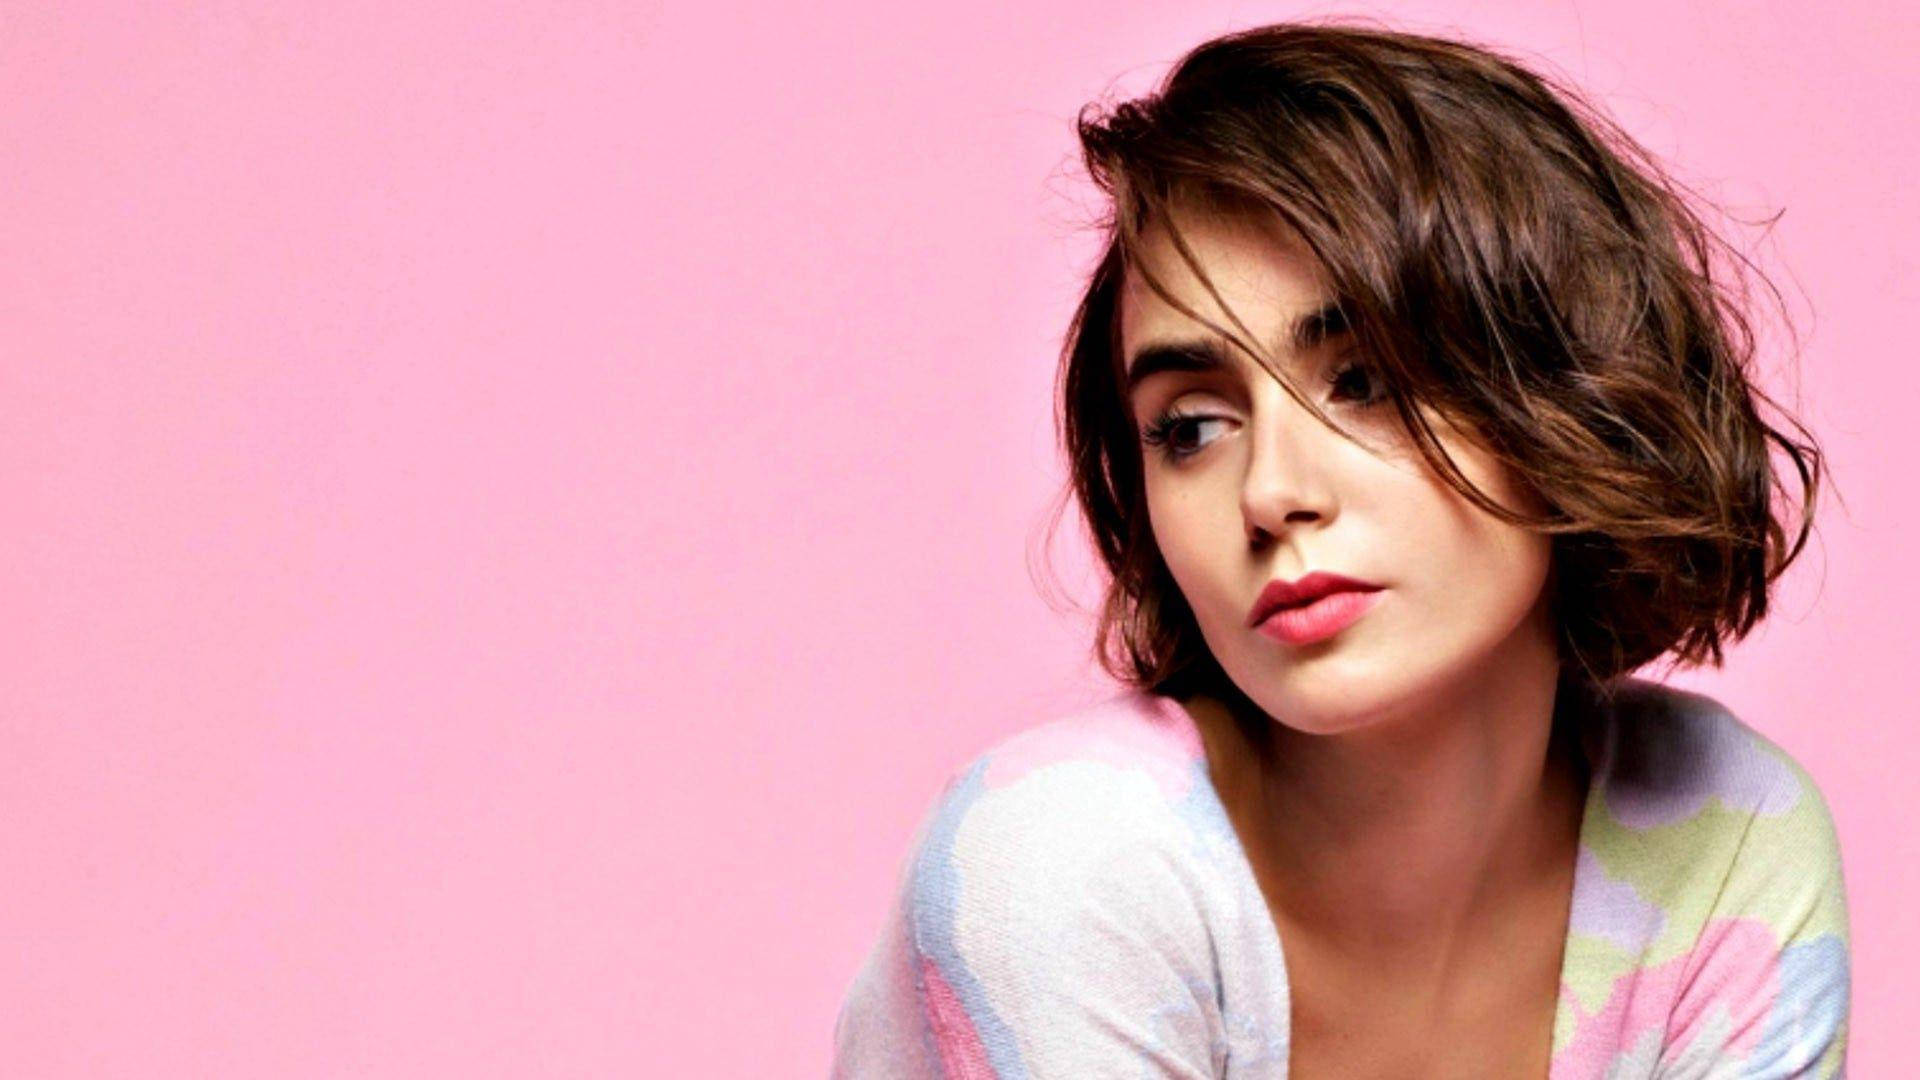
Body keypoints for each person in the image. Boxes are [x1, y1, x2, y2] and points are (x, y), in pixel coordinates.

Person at [830, 19, 1849, 1078]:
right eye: (1192, 427)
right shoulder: (1062, 863)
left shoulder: (1720, 843)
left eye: (1363, 381)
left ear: (1568, 389)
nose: (1270, 493)